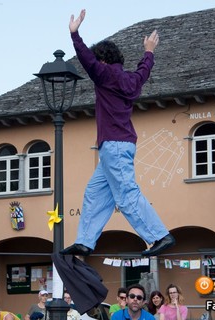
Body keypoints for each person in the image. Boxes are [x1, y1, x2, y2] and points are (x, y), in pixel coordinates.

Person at [60, 9, 175, 258]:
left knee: (126, 195)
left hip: (113, 145)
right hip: (118, 147)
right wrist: (149, 51)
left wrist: (75, 35)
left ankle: (159, 235)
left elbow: (86, 59)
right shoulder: (130, 79)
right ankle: (85, 242)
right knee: (95, 192)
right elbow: (144, 70)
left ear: (102, 61)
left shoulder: (104, 74)